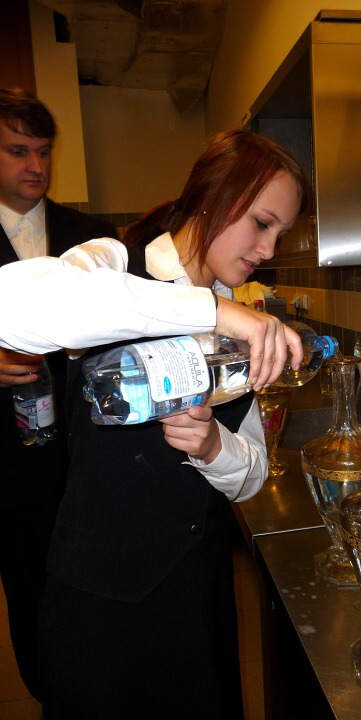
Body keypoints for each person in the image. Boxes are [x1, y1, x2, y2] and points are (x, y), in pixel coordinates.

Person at [0, 128, 308, 719]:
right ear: (214, 195)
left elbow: (252, 474)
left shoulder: (245, 322)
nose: (269, 249)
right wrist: (211, 310)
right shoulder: (112, 262)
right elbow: (12, 304)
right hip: (100, 598)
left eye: (281, 233)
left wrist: (214, 446)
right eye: (262, 223)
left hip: (195, 593)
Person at [0, 87, 118, 700]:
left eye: (43, 152)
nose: (36, 166)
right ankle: (52, 698)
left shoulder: (91, 238)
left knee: (103, 591)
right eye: (18, 151)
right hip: (10, 471)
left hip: (94, 460)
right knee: (32, 597)